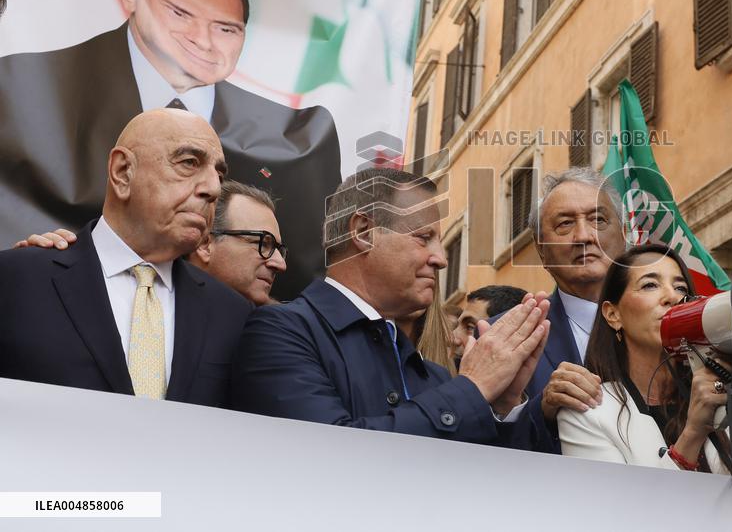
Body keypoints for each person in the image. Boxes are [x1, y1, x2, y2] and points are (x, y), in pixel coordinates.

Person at [0, 0, 340, 300]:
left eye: (225, 28)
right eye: (180, 13)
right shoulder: (24, 85)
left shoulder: (302, 137)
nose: (203, 41)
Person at [231, 168, 552, 447]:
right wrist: (472, 389)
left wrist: (501, 405)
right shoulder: (278, 332)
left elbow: (477, 477)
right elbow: (328, 452)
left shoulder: (434, 374)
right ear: (363, 232)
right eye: (423, 237)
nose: (441, 259)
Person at [0, 109, 252, 406]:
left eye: (219, 175)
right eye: (189, 162)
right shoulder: (17, 280)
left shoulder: (233, 315)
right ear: (122, 172)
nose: (213, 188)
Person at [557, 243, 732, 482]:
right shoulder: (588, 414)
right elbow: (614, 505)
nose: (672, 297)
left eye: (680, 287)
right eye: (650, 285)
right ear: (613, 314)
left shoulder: (720, 393)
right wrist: (693, 434)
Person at [491, 168, 626, 450]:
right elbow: (481, 446)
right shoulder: (502, 338)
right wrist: (541, 411)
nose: (584, 236)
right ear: (542, 250)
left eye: (598, 220)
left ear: (624, 235)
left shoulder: (667, 324)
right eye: (565, 224)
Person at [14, 179, 288, 307]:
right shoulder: (53, 274)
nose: (280, 264)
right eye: (263, 243)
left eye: (278, 249)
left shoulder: (285, 337)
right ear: (205, 243)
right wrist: (33, 274)